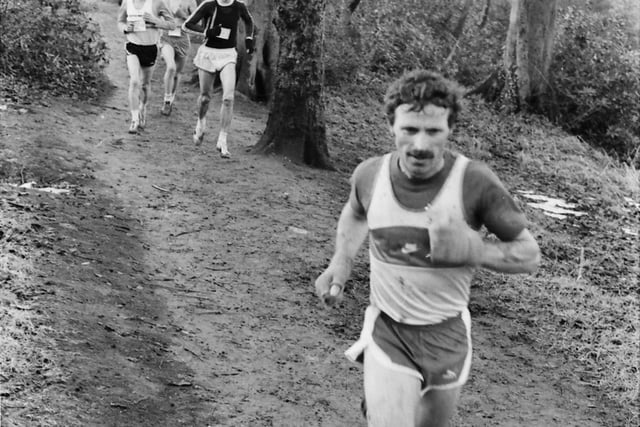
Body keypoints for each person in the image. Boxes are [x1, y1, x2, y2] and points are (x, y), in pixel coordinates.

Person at [314, 70, 541, 427]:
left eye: (433, 131)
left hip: (447, 334)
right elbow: (355, 213)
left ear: (450, 129)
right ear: (392, 126)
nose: (420, 144)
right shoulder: (370, 175)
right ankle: (384, 397)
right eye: (409, 130)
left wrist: (475, 250)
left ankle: (389, 401)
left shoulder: (474, 182)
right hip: (388, 329)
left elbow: (530, 254)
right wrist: (341, 262)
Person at [182, 0, 255, 158]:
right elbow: (187, 25)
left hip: (228, 54)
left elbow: (249, 21)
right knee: (205, 98)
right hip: (208, 53)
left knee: (228, 98)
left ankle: (222, 140)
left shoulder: (239, 6)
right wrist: (207, 32)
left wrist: (249, 39)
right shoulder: (209, 5)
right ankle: (201, 123)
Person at [117, 0, 175, 133]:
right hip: (132, 46)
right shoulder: (127, 2)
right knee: (134, 81)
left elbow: (172, 24)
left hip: (150, 48)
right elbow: (120, 22)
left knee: (145, 84)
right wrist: (126, 28)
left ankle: (143, 107)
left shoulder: (157, 3)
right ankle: (134, 119)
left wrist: (156, 21)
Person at [159, 0, 197, 116]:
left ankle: (170, 100)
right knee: (171, 67)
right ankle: (166, 100)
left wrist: (183, 15)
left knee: (177, 73)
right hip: (167, 36)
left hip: (183, 38)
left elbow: (195, 19)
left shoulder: (191, 1)